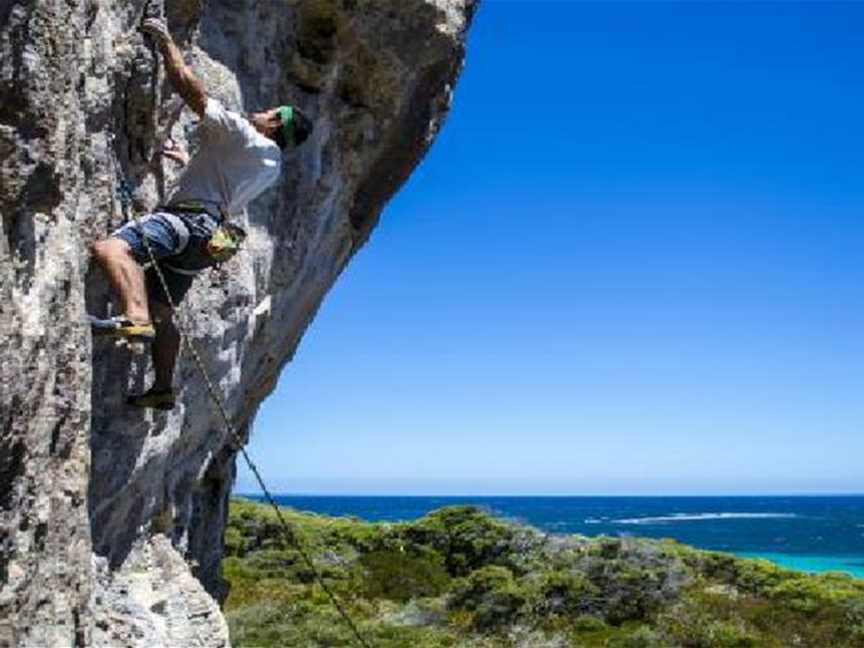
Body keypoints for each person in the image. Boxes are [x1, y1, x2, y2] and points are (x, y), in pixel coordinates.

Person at [89, 17, 313, 410]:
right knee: (165, 313)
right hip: (204, 241)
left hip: (185, 223)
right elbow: (225, 181)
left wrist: (165, 44)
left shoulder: (246, 135)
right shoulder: (270, 165)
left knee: (111, 249)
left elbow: (193, 92)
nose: (260, 111)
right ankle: (161, 387)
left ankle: (133, 315)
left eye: (268, 111)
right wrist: (188, 159)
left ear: (275, 123)